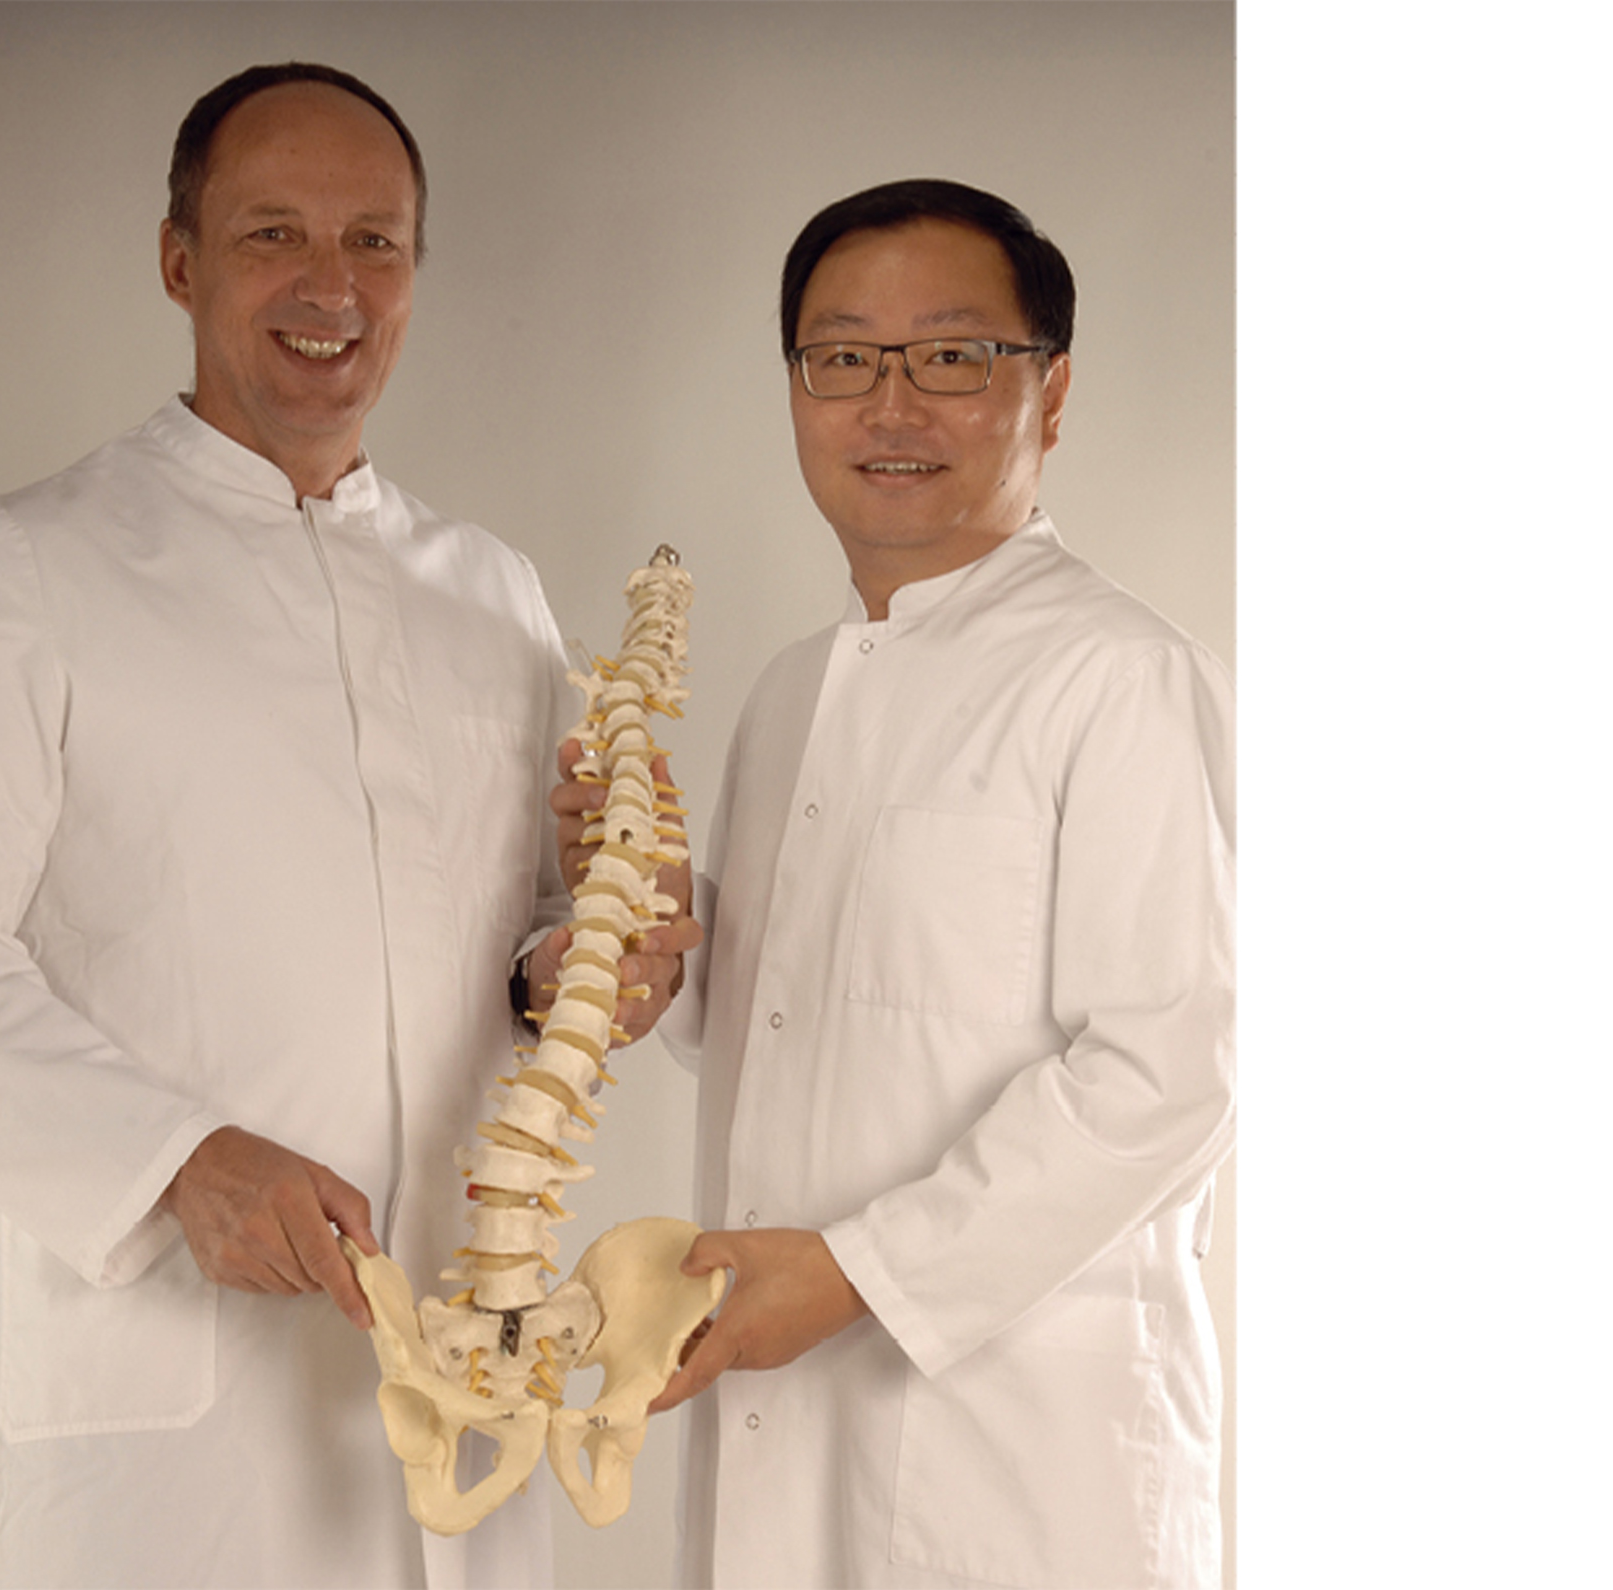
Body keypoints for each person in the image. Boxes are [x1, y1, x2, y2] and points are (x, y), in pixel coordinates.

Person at [0, 63, 691, 1589]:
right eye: (276, 235)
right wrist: (173, 1160)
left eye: (374, 242)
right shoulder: (27, 572)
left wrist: (586, 964)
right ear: (179, 259)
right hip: (174, 1441)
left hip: (467, 1390)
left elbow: (517, 944)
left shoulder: (494, 594)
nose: (333, 287)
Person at [625, 180, 1235, 1588]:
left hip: (1020, 1464)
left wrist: (855, 1274)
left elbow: (1172, 1071)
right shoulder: (789, 694)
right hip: (781, 1431)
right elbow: (792, 1023)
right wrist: (664, 938)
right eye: (842, 358)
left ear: (1051, 389)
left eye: (952, 356)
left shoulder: (1122, 677)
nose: (890, 405)